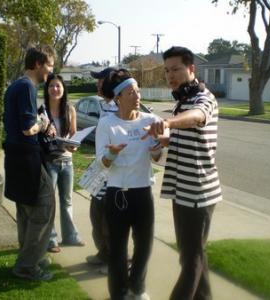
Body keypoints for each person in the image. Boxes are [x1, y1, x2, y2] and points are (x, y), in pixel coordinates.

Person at [144, 46, 222, 300]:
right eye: (167, 71)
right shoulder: (183, 101)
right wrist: (166, 140)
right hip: (182, 190)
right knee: (193, 254)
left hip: (198, 192)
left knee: (191, 260)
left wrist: (167, 123)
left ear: (191, 69)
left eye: (176, 69)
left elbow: (197, 118)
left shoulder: (203, 99)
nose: (170, 75)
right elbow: (188, 137)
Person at [96, 69, 162, 300]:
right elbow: (102, 164)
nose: (137, 96)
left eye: (138, 91)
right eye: (131, 92)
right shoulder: (107, 124)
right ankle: (119, 292)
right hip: (118, 194)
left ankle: (137, 288)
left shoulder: (151, 121)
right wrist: (111, 154)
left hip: (143, 191)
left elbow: (156, 157)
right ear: (118, 97)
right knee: (118, 250)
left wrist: (156, 150)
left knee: (144, 246)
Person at [3, 46, 56, 281]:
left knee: (26, 210)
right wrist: (43, 124)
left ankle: (30, 257)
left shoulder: (14, 85)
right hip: (26, 156)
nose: (51, 71)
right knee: (44, 209)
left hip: (15, 157)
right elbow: (28, 128)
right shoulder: (26, 86)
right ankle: (27, 266)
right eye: (50, 65)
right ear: (37, 64)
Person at [42, 74, 85, 253]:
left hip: (67, 161)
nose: (55, 89)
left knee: (67, 201)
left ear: (63, 89)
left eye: (58, 86)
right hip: (49, 161)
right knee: (49, 202)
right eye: (51, 86)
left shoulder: (70, 109)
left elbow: (73, 134)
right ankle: (50, 240)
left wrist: (73, 146)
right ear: (47, 89)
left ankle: (70, 236)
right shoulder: (42, 110)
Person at [86, 67, 117, 268]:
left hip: (112, 176)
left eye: (100, 81)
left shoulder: (117, 107)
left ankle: (114, 260)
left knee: (107, 222)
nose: (97, 84)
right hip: (100, 173)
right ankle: (104, 253)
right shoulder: (106, 106)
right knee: (96, 217)